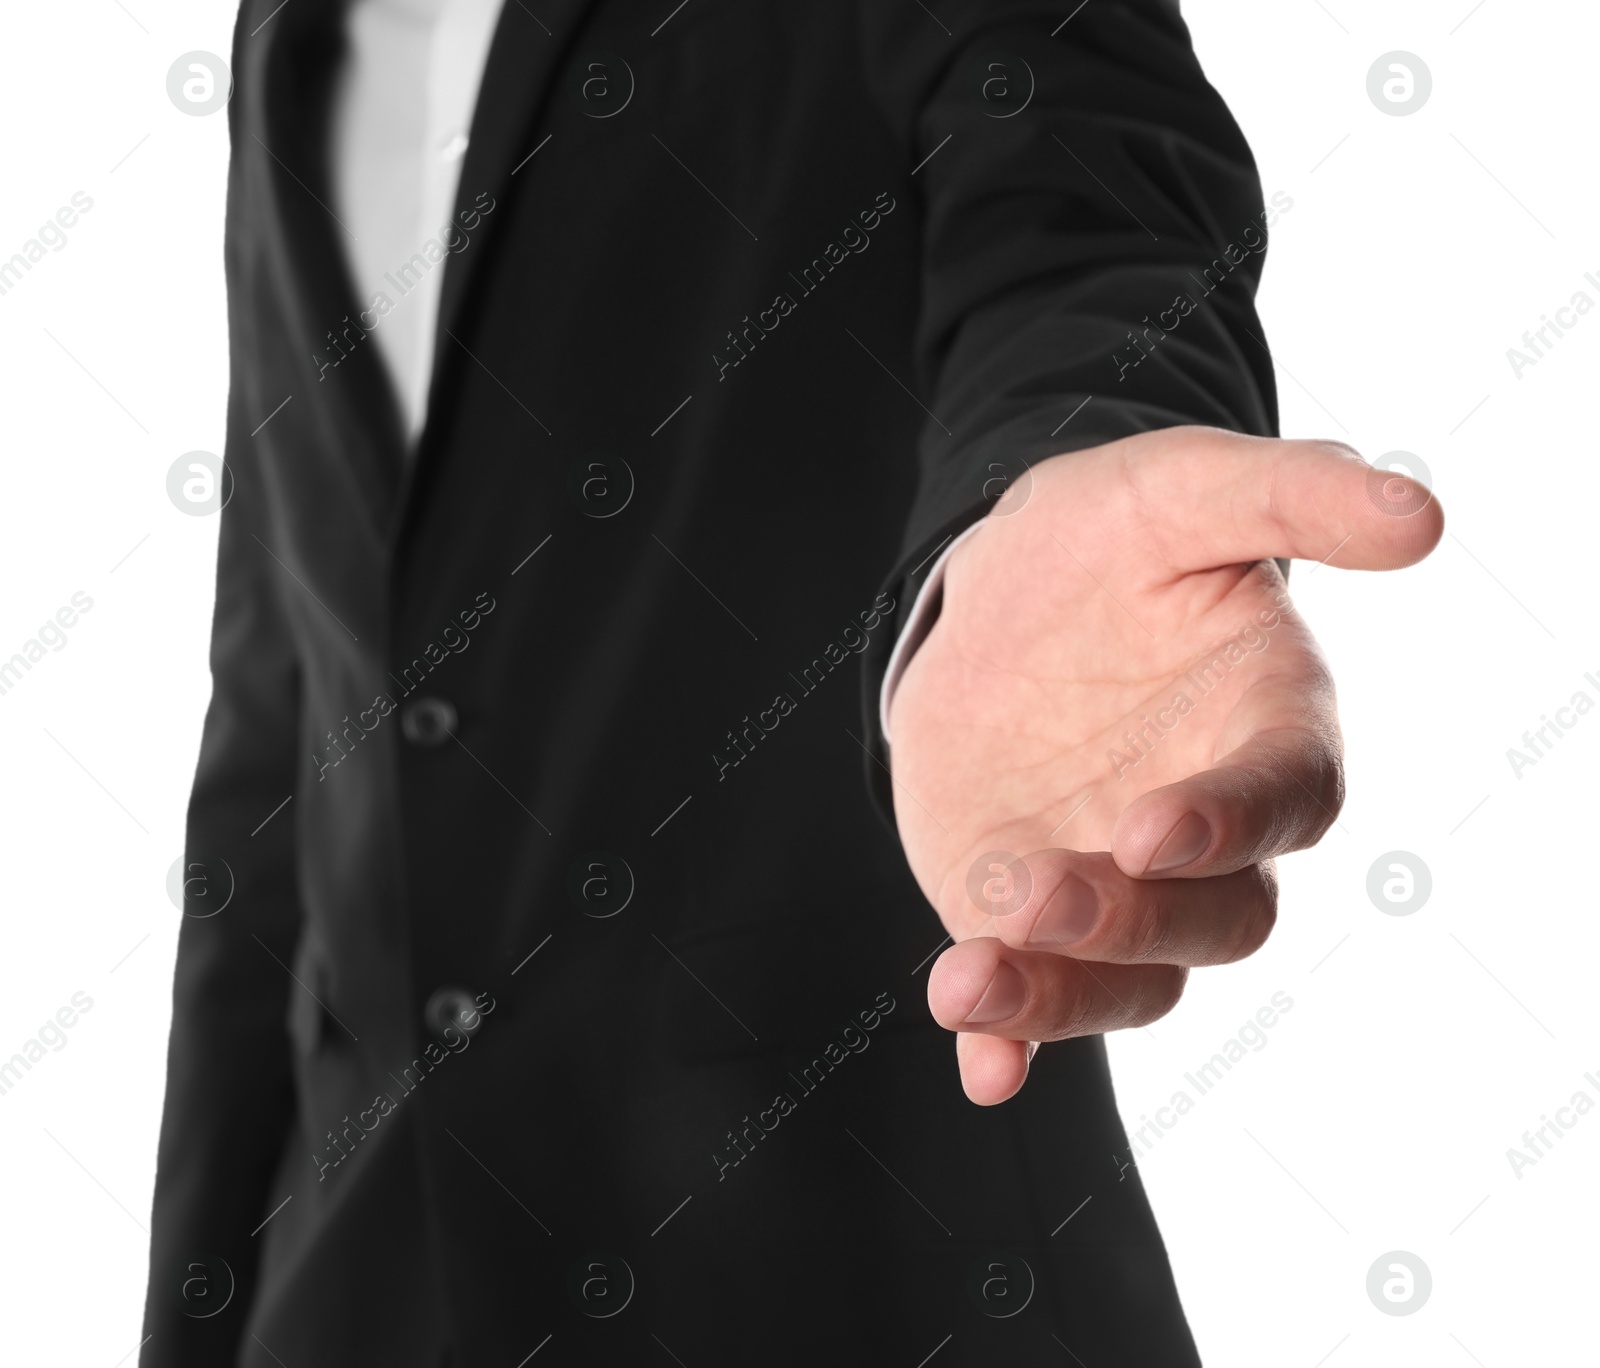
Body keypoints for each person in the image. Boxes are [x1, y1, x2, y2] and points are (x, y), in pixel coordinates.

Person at [141, 1, 1442, 1363]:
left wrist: (1067, 458)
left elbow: (1086, 238)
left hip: (844, 1254)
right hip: (345, 1287)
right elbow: (277, 711)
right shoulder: (284, 30)